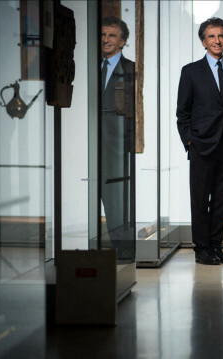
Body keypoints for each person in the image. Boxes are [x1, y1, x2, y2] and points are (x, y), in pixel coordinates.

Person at [176, 17, 223, 265]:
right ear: (203, 41)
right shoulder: (191, 71)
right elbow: (182, 113)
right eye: (212, 36)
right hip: (202, 145)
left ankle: (216, 247)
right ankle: (202, 249)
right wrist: (189, 141)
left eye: (221, 36)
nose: (217, 41)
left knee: (221, 199)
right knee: (200, 200)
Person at [100, 16, 135, 259]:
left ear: (122, 42)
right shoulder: (89, 66)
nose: (106, 40)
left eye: (112, 35)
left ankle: (122, 247)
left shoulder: (131, 69)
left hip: (118, 141)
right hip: (91, 140)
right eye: (103, 35)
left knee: (118, 197)